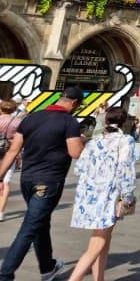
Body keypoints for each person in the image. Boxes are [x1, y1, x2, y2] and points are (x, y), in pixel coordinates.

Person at [0, 86, 86, 281]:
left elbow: (13, 151)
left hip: (27, 181)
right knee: (29, 228)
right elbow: (75, 152)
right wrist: (82, 139)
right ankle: (5, 274)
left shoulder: (31, 118)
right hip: (48, 182)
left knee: (40, 223)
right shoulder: (69, 121)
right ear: (74, 103)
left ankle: (47, 267)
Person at [67, 107, 138, 281]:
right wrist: (128, 196)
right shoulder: (125, 140)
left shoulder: (94, 141)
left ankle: (99, 278)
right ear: (124, 122)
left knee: (104, 238)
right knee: (98, 242)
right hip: (109, 195)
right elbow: (125, 170)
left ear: (105, 121)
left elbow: (79, 168)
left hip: (89, 195)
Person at [0, 99, 22, 222]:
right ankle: (1, 212)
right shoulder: (18, 122)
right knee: (6, 183)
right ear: (14, 109)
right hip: (10, 153)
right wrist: (19, 158)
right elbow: (20, 142)